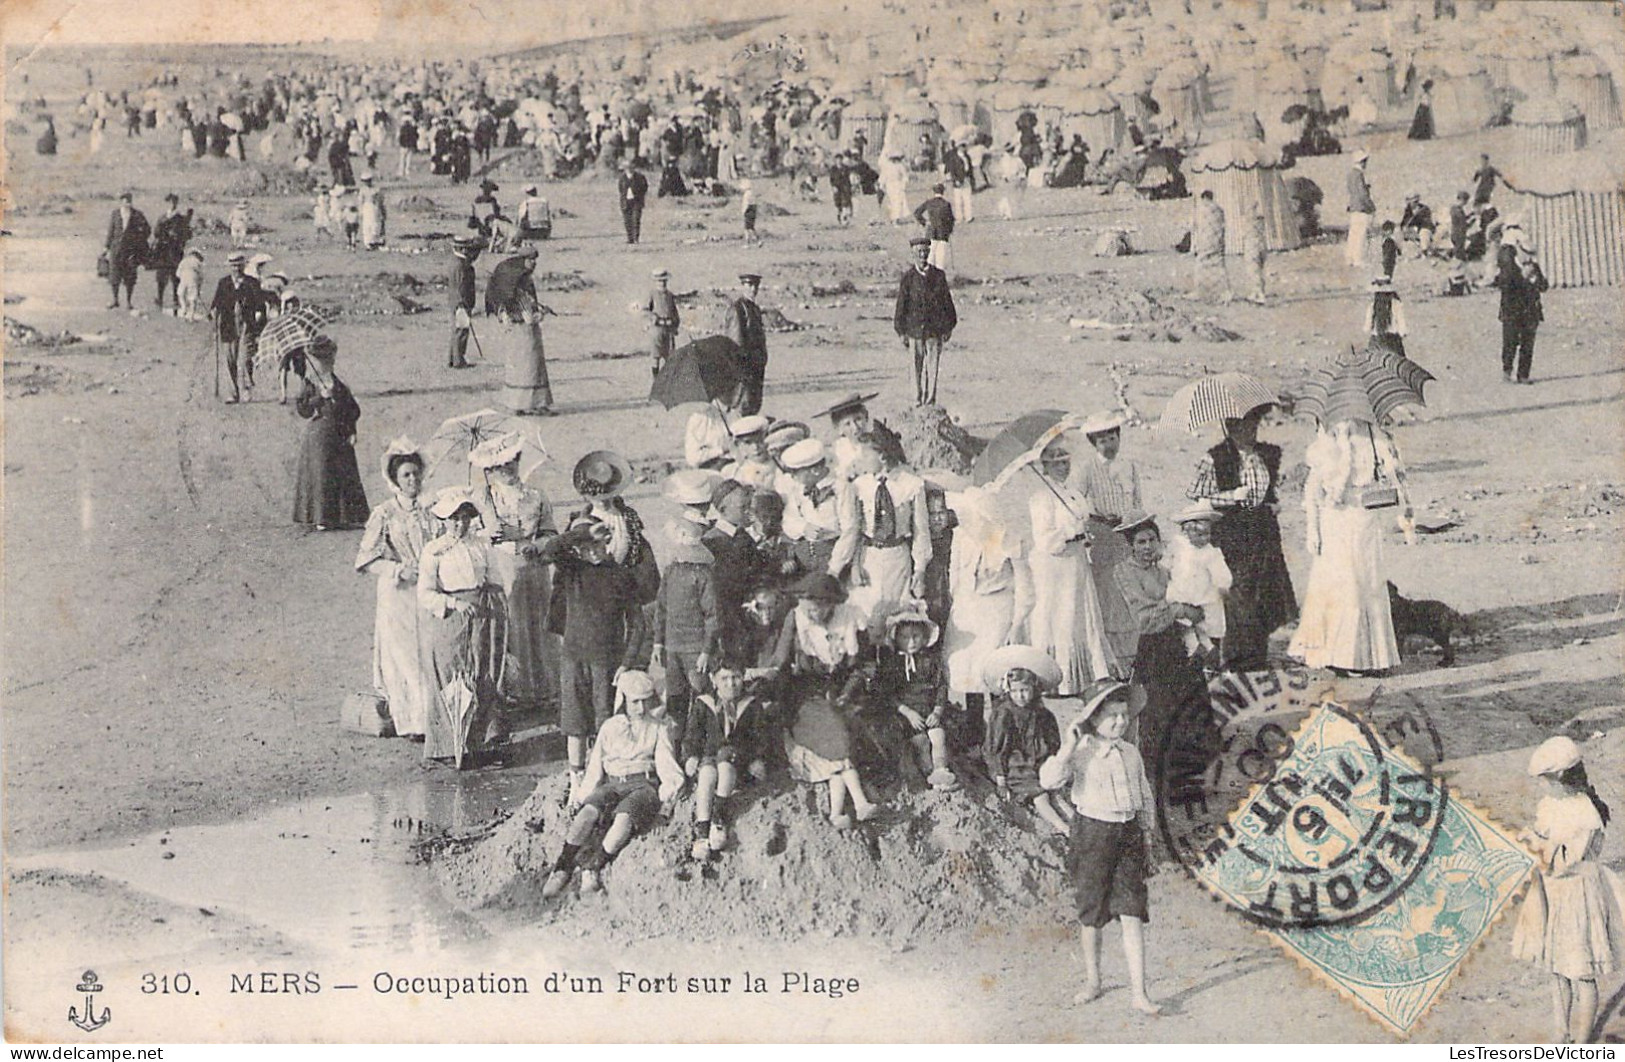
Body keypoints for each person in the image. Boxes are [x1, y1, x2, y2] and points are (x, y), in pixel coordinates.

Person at [1039, 679, 1160, 1015]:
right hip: (1091, 834)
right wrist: (1067, 747)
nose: (1120, 722)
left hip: (1129, 835)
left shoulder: (1131, 753)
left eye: (1124, 715)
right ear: (1093, 718)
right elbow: (1048, 781)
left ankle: (1140, 991)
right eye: (1112, 716)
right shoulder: (1081, 752)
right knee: (1091, 912)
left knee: (1132, 910)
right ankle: (1093, 980)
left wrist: (1147, 835)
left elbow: (1144, 793)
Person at [1512, 735, 1625, 1044]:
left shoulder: (1587, 813)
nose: (1544, 786)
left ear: (1562, 776)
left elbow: (1563, 861)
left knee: (1581, 972)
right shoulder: (1550, 804)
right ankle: (1561, 1034)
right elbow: (1540, 836)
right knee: (1557, 968)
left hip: (1579, 895)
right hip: (1554, 893)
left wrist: (1534, 846)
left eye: (1547, 779)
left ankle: (1582, 1038)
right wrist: (1530, 841)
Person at [541, 670, 683, 898]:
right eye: (635, 702)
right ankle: (563, 867)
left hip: (642, 785)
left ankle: (593, 867)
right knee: (586, 815)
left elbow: (666, 764)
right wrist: (582, 796)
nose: (640, 708)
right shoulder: (610, 727)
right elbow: (596, 766)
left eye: (645, 702)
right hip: (613, 784)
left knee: (623, 820)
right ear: (623, 699)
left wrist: (669, 793)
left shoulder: (658, 727)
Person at [1288, 421, 1411, 674]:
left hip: (1364, 514)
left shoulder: (1373, 432)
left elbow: (1394, 472)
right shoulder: (1329, 430)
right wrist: (1313, 526)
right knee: (1341, 582)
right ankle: (1334, 654)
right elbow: (1313, 485)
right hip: (1334, 516)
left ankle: (1369, 657)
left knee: (1366, 582)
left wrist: (1405, 505)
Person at [1185, 406, 1294, 673]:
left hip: (1264, 532)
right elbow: (1198, 496)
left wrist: (1272, 505)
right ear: (1231, 428)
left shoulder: (1266, 455)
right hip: (1233, 533)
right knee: (1239, 592)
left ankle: (1257, 655)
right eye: (1244, 426)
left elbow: (1269, 494)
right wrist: (1231, 496)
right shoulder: (1215, 458)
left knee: (1264, 590)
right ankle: (1235, 657)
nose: (1251, 431)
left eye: (1254, 425)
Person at [1111, 513, 1214, 787]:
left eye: (1152, 540)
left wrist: (1191, 611)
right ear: (1131, 546)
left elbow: (1192, 601)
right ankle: (1158, 772)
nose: (1147, 546)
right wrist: (1178, 608)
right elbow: (1144, 617)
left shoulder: (1164, 569)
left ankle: (1189, 764)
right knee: (1157, 707)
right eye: (1141, 541)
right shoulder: (1124, 571)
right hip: (1152, 647)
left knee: (1190, 700)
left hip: (1177, 642)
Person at [773, 573, 878, 829]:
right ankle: (852, 803)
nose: (811, 614)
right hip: (806, 693)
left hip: (844, 690)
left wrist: (848, 691)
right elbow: (780, 662)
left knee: (862, 730)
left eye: (817, 609)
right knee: (836, 733)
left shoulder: (850, 619)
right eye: (808, 609)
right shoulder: (796, 619)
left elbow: (865, 664)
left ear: (831, 604)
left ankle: (845, 807)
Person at [417, 488, 509, 768]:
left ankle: (481, 743)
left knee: (482, 672)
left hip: (480, 615)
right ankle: (449, 746)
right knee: (452, 677)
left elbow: (495, 580)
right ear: (444, 520)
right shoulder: (434, 551)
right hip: (449, 621)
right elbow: (425, 593)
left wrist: (496, 607)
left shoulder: (481, 546)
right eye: (454, 518)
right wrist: (454, 604)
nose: (460, 524)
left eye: (465, 517)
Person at [1022, 436, 1120, 694]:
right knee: (1057, 615)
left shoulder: (1072, 494)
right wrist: (1071, 531)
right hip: (1054, 566)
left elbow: (1083, 520)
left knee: (1080, 614)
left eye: (1065, 462)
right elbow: (1045, 540)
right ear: (1044, 466)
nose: (1063, 468)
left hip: (1076, 562)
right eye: (1056, 464)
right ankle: (1054, 678)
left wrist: (1085, 533)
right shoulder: (1041, 498)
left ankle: (1089, 673)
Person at [355, 438, 437, 740]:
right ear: (395, 479)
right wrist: (397, 569)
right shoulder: (385, 513)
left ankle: (432, 720)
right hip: (398, 595)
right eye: (406, 475)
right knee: (404, 659)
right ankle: (412, 723)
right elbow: (365, 560)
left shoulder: (433, 509)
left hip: (427, 591)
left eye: (415, 473)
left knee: (428, 654)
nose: (412, 480)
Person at [471, 433, 558, 717]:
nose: (506, 470)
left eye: (511, 463)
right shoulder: (483, 499)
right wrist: (491, 531)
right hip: (502, 569)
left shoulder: (536, 496)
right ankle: (514, 690)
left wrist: (532, 542)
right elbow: (474, 538)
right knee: (511, 628)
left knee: (540, 626)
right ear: (489, 471)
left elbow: (549, 533)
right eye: (499, 467)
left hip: (534, 569)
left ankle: (543, 689)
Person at [830, 430, 931, 633]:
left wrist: (920, 569)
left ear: (882, 457)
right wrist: (855, 565)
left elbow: (921, 530)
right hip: (869, 558)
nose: (861, 460)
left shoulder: (911, 485)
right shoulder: (860, 486)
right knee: (866, 611)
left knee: (896, 611)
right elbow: (855, 530)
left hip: (897, 556)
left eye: (866, 455)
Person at [1068, 411, 1142, 668]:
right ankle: (1110, 655)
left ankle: (1132, 653)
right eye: (1103, 441)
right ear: (1093, 444)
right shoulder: (1085, 469)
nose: (1109, 445)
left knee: (1129, 589)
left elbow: (1137, 502)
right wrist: (1089, 519)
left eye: (1113, 438)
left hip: (1127, 533)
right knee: (1107, 593)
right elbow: (1073, 501)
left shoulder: (1130, 466)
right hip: (1101, 534)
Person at [682, 660, 775, 861]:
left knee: (725, 762)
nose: (731, 684)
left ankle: (719, 817)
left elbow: (760, 737)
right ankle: (702, 830)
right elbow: (692, 735)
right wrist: (691, 756)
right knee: (707, 773)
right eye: (724, 678)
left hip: (738, 763)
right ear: (714, 680)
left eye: (735, 678)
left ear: (743, 679)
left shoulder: (751, 705)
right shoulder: (704, 703)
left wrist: (756, 758)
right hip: (711, 759)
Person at [870, 607, 960, 791]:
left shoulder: (930, 661)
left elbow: (940, 686)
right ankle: (930, 774)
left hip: (929, 709)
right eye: (905, 637)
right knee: (921, 741)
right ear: (896, 639)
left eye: (916, 636)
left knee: (938, 735)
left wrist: (937, 710)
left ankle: (941, 769)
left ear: (925, 637)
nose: (911, 642)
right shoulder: (892, 664)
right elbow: (888, 694)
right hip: (907, 713)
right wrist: (907, 712)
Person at [982, 645, 1068, 836]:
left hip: (1038, 763)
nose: (1021, 696)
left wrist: (1053, 763)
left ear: (1034, 689)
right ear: (1008, 691)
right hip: (1015, 766)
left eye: (1025, 690)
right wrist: (1000, 778)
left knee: (1055, 793)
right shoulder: (1004, 714)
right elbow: (996, 748)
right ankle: (1065, 828)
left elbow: (1053, 742)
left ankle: (1076, 821)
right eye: (1016, 691)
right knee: (1042, 797)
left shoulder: (1042, 713)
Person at [291, 337, 369, 530]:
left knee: (343, 473)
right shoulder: (310, 382)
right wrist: (319, 398)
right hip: (319, 436)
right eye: (324, 360)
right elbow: (303, 410)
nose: (328, 363)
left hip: (340, 433)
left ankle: (347, 516)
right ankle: (322, 518)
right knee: (322, 475)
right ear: (317, 360)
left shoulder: (338, 383)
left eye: (330, 359)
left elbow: (352, 409)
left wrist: (352, 430)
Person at [894, 237, 958, 406]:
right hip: (914, 330)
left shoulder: (938, 276)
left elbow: (947, 303)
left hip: (934, 330)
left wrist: (948, 326)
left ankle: (930, 400)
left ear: (929, 253)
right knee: (915, 367)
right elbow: (901, 305)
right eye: (918, 252)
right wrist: (901, 331)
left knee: (932, 366)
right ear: (913, 254)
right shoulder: (908, 278)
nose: (922, 255)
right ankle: (916, 399)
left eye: (925, 252)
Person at [1164, 503, 1231, 663]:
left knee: (1207, 625)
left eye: (1208, 534)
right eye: (1200, 535)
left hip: (1203, 595)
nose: (1205, 539)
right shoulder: (1178, 545)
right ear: (1186, 533)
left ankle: (1210, 650)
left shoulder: (1210, 553)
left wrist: (1224, 588)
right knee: (1183, 623)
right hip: (1181, 594)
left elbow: (1221, 575)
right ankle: (1194, 648)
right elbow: (1167, 563)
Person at [209, 252, 266, 403]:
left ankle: (246, 389)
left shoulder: (252, 283)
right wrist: (213, 312)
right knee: (230, 359)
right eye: (233, 265)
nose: (236, 268)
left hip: (247, 324)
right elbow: (216, 303)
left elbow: (260, 304)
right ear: (229, 266)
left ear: (243, 266)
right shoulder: (224, 283)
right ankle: (233, 393)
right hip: (228, 325)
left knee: (244, 359)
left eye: (238, 265)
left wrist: (259, 317)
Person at [1496, 232, 1549, 384]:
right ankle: (1507, 371)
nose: (1529, 258)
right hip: (1512, 312)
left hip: (1530, 312)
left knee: (1528, 344)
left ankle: (1523, 375)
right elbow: (1504, 286)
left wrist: (1533, 278)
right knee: (1510, 342)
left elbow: (1544, 286)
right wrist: (1522, 278)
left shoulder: (1533, 267)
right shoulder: (1508, 267)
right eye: (1527, 254)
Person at [722, 272, 768, 416]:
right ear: (742, 287)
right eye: (749, 285)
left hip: (756, 368)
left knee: (754, 406)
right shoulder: (738, 310)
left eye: (755, 285)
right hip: (745, 369)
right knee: (744, 407)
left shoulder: (754, 309)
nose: (753, 289)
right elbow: (735, 342)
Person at [104, 192, 150, 310]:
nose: (127, 202)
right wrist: (106, 247)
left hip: (131, 251)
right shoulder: (115, 214)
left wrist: (138, 240)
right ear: (121, 202)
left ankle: (129, 302)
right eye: (125, 200)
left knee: (130, 277)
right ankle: (115, 300)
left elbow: (147, 230)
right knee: (114, 276)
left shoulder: (137, 214)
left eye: (129, 200)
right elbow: (111, 231)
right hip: (116, 249)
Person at [149, 193, 191, 313]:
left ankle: (175, 299)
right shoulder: (162, 217)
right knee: (161, 275)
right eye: (169, 202)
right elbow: (156, 232)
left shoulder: (180, 218)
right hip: (163, 250)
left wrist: (178, 236)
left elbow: (187, 234)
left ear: (176, 203)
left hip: (175, 251)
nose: (171, 204)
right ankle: (160, 298)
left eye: (174, 202)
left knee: (175, 275)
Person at [447, 234, 481, 369]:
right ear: (463, 249)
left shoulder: (455, 262)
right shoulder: (460, 265)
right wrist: (463, 303)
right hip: (461, 302)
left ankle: (453, 358)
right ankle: (458, 360)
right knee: (461, 331)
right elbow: (460, 286)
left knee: (457, 331)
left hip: (456, 302)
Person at [1191, 190, 1229, 301]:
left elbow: (1196, 227)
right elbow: (1222, 227)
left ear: (1204, 198)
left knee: (1200, 267)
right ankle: (1225, 292)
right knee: (1220, 267)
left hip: (1205, 243)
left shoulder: (1200, 210)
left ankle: (1199, 291)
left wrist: (1195, 245)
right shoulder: (1219, 210)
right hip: (1217, 242)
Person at [913, 182, 956, 277]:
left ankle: (927, 277)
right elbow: (951, 219)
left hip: (930, 232)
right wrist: (950, 230)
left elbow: (917, 213)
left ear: (934, 191)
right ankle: (939, 279)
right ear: (943, 191)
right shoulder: (946, 204)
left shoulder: (929, 202)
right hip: (943, 233)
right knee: (940, 259)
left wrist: (924, 222)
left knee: (930, 256)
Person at [645, 267, 680, 381]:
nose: (662, 283)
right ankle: (656, 380)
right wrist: (653, 318)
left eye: (664, 281)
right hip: (657, 329)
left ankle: (667, 381)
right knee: (656, 356)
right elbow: (646, 310)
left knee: (669, 356)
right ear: (655, 281)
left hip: (669, 329)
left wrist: (675, 324)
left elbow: (675, 312)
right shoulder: (652, 294)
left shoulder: (670, 295)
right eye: (660, 281)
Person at [1365, 277, 1409, 357]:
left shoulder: (1372, 306)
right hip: (1392, 341)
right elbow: (1403, 329)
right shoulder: (1396, 304)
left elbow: (1367, 328)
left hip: (1376, 341)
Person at [1346, 150, 1375, 269]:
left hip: (1353, 207)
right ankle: (1358, 259)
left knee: (1353, 233)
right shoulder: (1359, 175)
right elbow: (1362, 194)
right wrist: (1371, 206)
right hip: (1361, 207)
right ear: (1362, 162)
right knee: (1361, 234)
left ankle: (1350, 258)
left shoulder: (1350, 174)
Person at [1240, 206, 1268, 304]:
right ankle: (1256, 292)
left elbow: (1245, 234)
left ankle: (1259, 294)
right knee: (1259, 270)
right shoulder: (1260, 222)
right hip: (1262, 246)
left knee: (1253, 271)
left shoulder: (1248, 222)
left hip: (1252, 247)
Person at [617, 159, 649, 244]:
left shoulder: (640, 177)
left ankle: (636, 238)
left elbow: (644, 187)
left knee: (636, 219)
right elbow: (620, 189)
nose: (629, 169)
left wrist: (639, 195)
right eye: (627, 168)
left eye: (631, 167)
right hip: (625, 201)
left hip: (637, 201)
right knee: (627, 220)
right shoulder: (622, 178)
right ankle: (630, 238)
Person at [358, 173, 386, 249]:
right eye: (364, 181)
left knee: (374, 223)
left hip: (374, 208)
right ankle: (368, 242)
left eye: (367, 181)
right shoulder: (362, 190)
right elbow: (360, 201)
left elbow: (380, 201)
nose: (366, 182)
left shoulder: (376, 190)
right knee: (367, 224)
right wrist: (361, 211)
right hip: (366, 207)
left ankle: (375, 241)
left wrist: (381, 209)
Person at [176, 248, 203, 322]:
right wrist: (199, 287)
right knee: (192, 299)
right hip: (193, 280)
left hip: (183, 279)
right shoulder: (197, 262)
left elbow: (177, 274)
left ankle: (184, 307)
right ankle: (191, 316)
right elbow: (201, 276)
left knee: (180, 294)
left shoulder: (183, 261)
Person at [1449, 191, 1472, 261]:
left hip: (1458, 232)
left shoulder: (1456, 209)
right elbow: (1462, 221)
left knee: (1459, 250)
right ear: (1461, 200)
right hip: (1458, 233)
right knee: (1459, 252)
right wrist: (1470, 223)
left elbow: (1463, 219)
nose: (1466, 203)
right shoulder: (1456, 209)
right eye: (1465, 201)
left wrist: (1471, 215)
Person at [739, 178, 760, 245]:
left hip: (748, 211)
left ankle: (747, 243)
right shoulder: (752, 194)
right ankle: (758, 241)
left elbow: (746, 204)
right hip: (753, 211)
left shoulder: (746, 195)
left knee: (746, 228)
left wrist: (743, 211)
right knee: (751, 228)